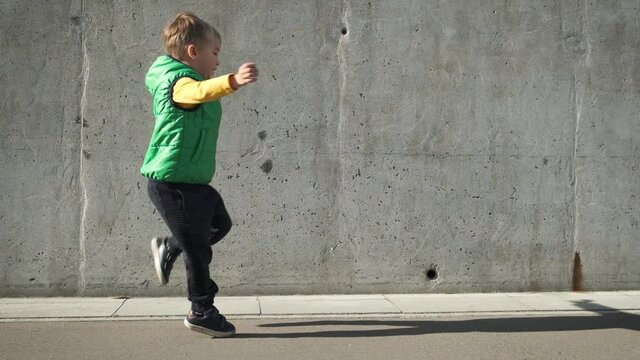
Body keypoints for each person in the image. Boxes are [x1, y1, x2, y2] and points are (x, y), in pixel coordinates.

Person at [141, 11, 258, 337]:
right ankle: (202, 309)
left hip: (193, 181)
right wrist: (232, 81)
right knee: (198, 248)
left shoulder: (190, 80)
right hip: (171, 181)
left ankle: (170, 247)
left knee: (219, 224)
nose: (218, 60)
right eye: (215, 52)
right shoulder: (178, 84)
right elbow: (193, 94)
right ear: (193, 52)